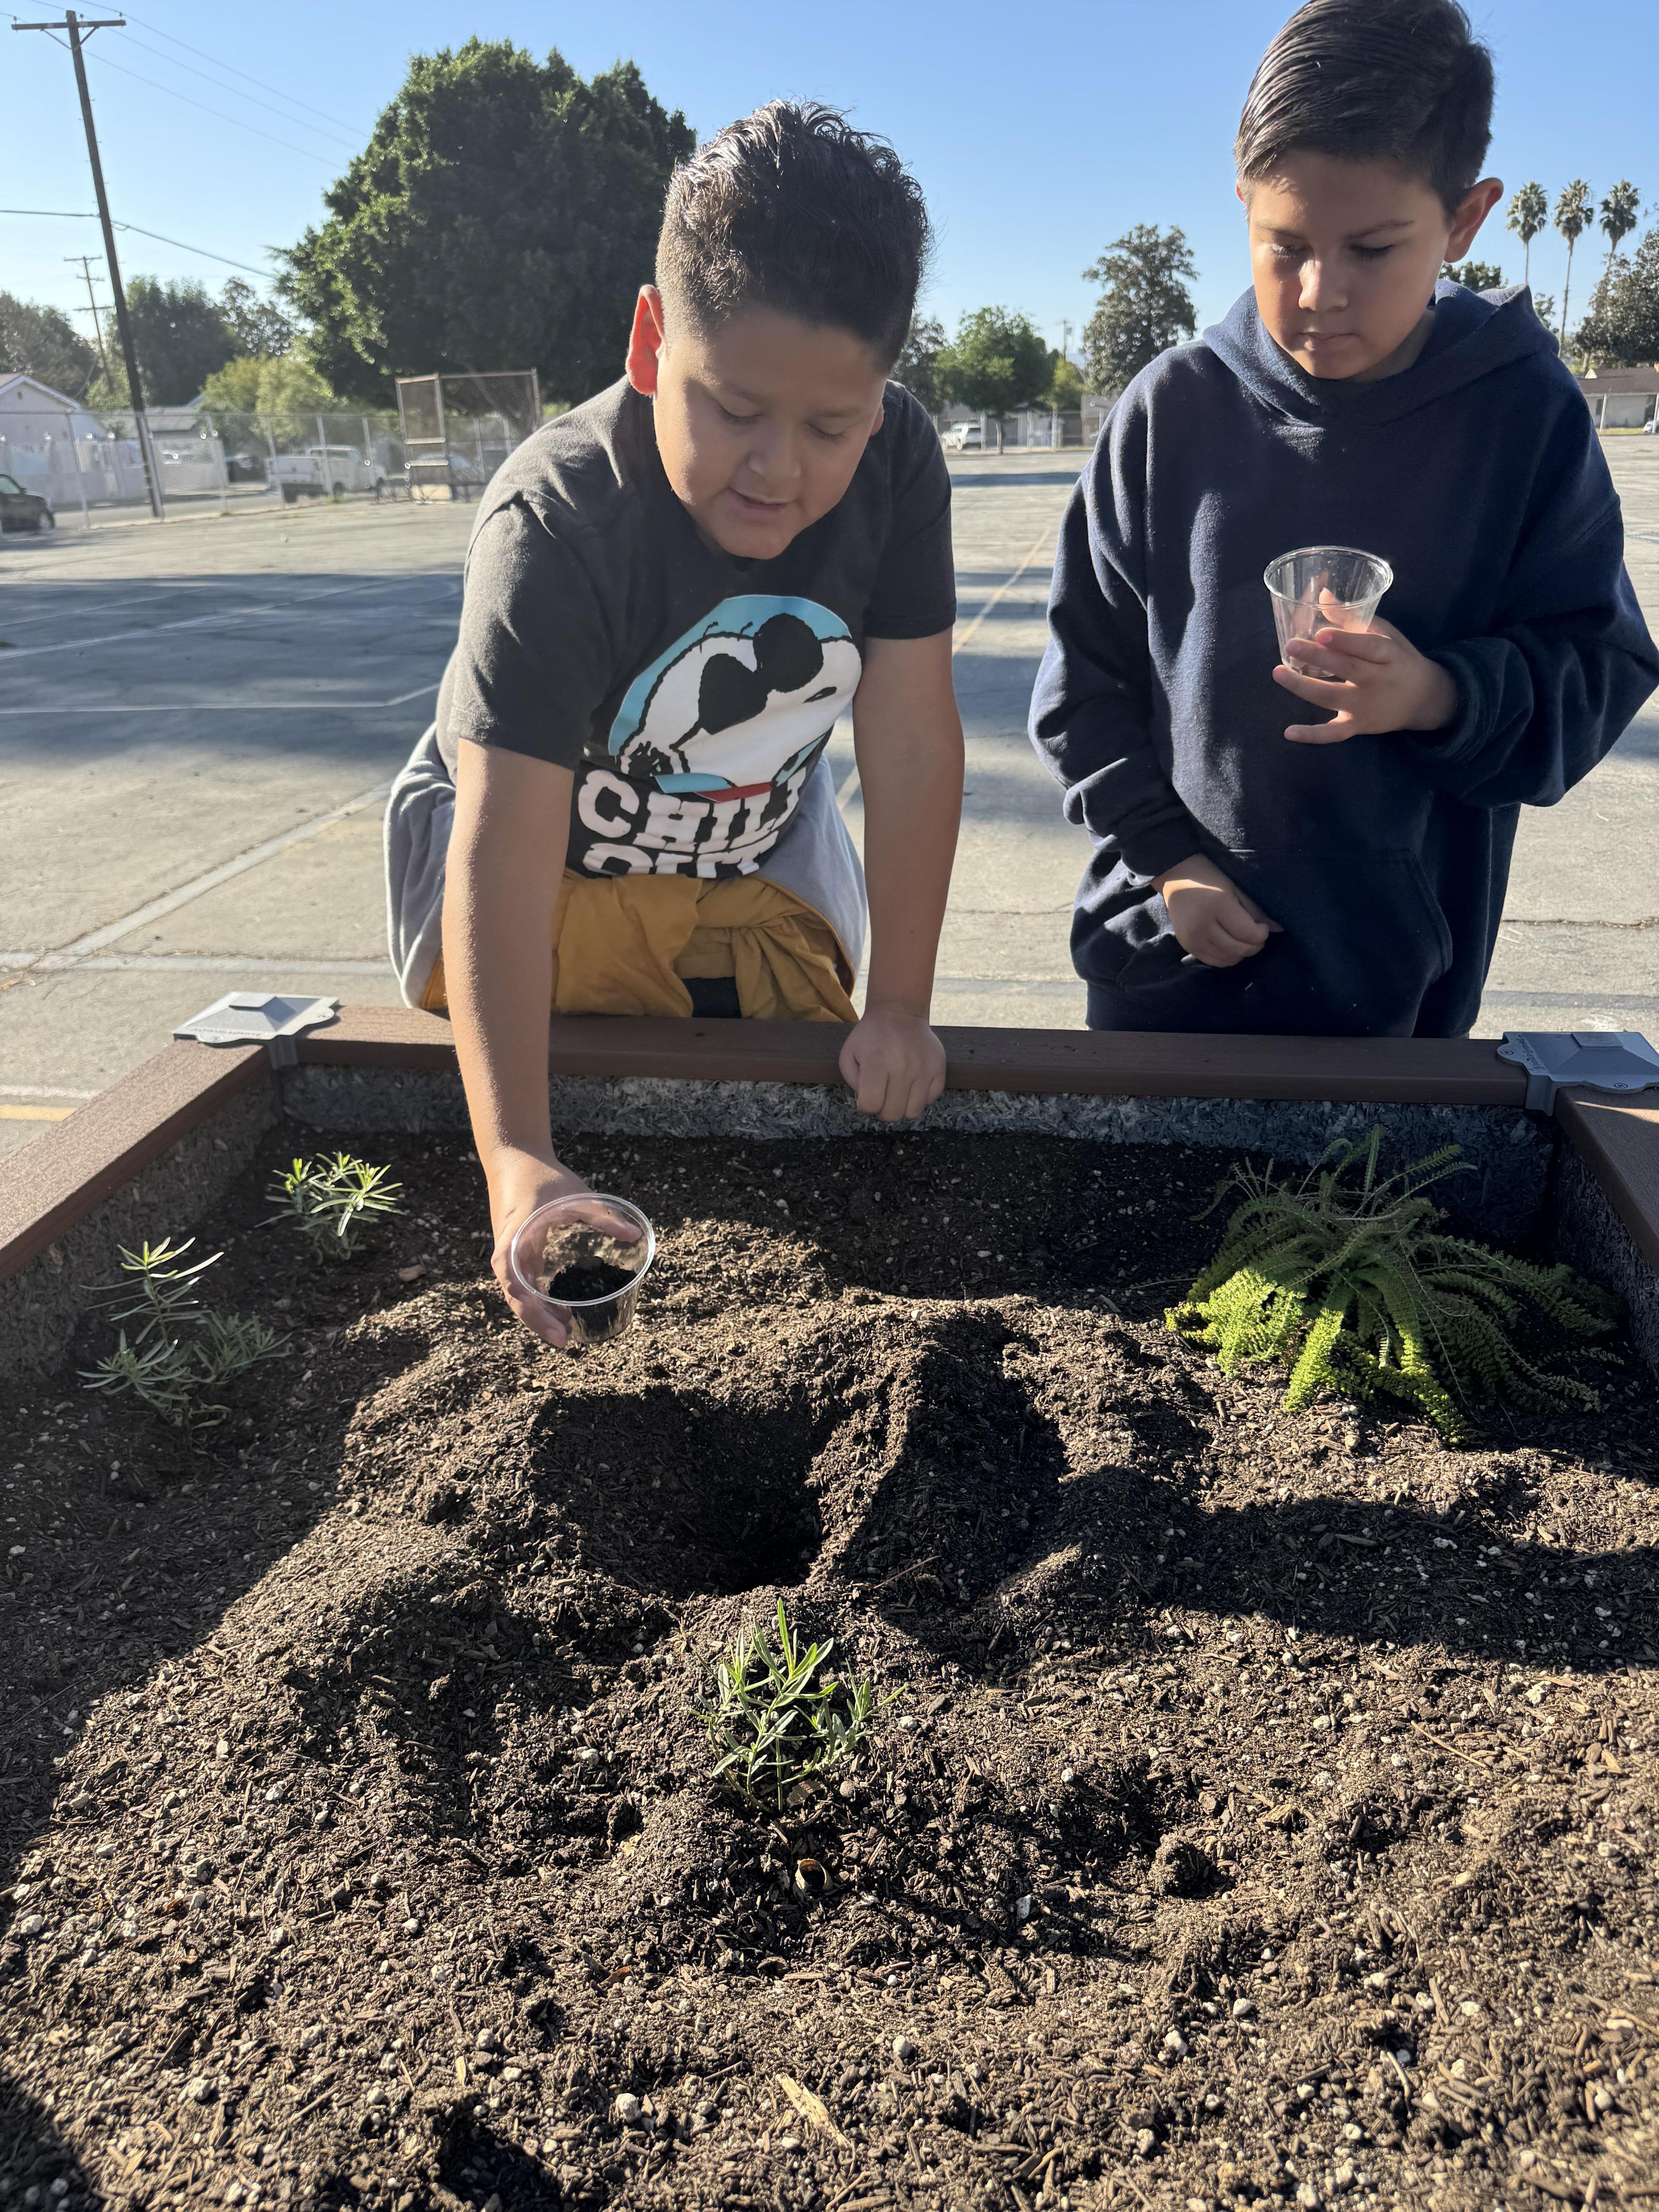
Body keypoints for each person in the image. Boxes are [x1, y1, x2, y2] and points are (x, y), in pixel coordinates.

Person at [386, 102, 963, 1345]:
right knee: (536, 1055)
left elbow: (910, 743)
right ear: (653, 341)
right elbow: (501, 843)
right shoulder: (556, 525)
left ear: (882, 393)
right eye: (734, 407)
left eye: (830, 427)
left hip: (746, 833)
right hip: (530, 847)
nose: (779, 470)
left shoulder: (903, 464)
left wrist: (901, 1007)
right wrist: (520, 1163)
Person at [1030, 0, 1658, 1037]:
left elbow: (1595, 666)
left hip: (1391, 1003)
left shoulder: (1519, 414)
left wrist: (1436, 694)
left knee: (1366, 1208)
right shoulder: (1166, 412)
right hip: (1162, 976)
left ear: (1462, 219)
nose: (1320, 291)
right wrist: (1168, 860)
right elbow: (1077, 685)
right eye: (1283, 245)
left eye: (1370, 248)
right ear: (1239, 203)